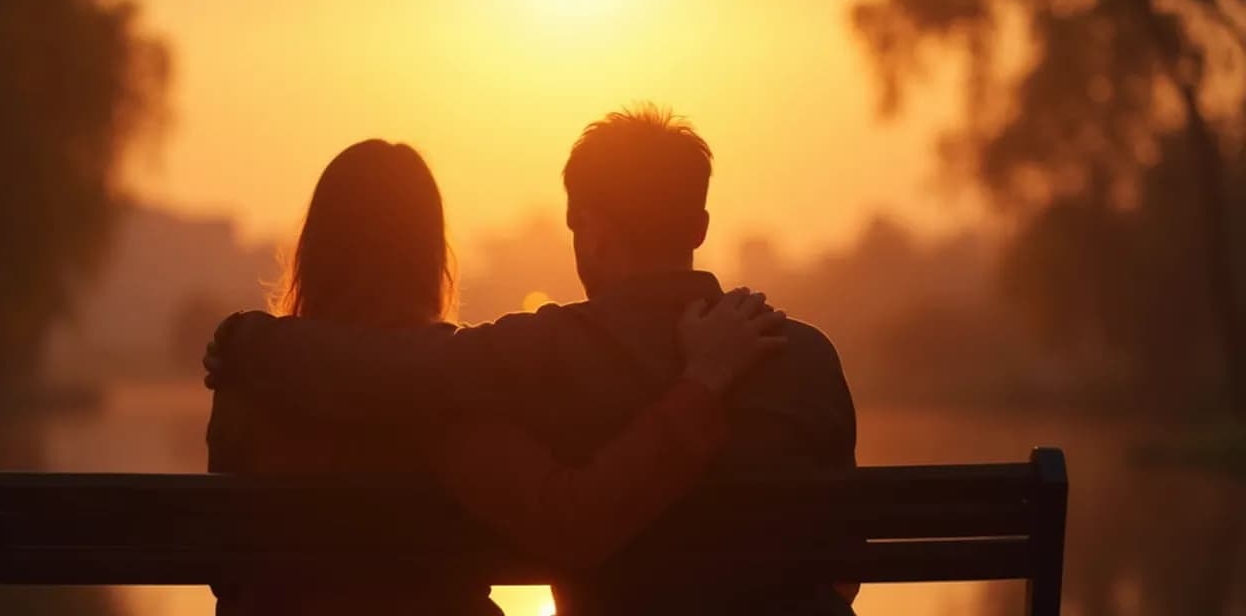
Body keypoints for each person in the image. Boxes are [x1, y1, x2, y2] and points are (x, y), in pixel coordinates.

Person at [207, 107, 859, 615]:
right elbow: (842, 566)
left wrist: (248, 341)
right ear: (700, 225)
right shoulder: (809, 358)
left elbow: (398, 371)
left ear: (594, 231)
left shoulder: (543, 356)